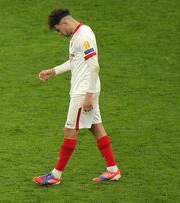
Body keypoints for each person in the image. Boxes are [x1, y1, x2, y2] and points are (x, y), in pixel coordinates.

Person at [33, 8, 121, 185]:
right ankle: (113, 170)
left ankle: (56, 175)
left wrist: (88, 96)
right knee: (95, 126)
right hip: (85, 90)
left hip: (83, 92)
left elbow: (94, 66)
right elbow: (76, 61)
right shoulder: (77, 36)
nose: (59, 34)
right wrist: (54, 71)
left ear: (65, 23)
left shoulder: (84, 36)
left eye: (58, 29)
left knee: (70, 130)